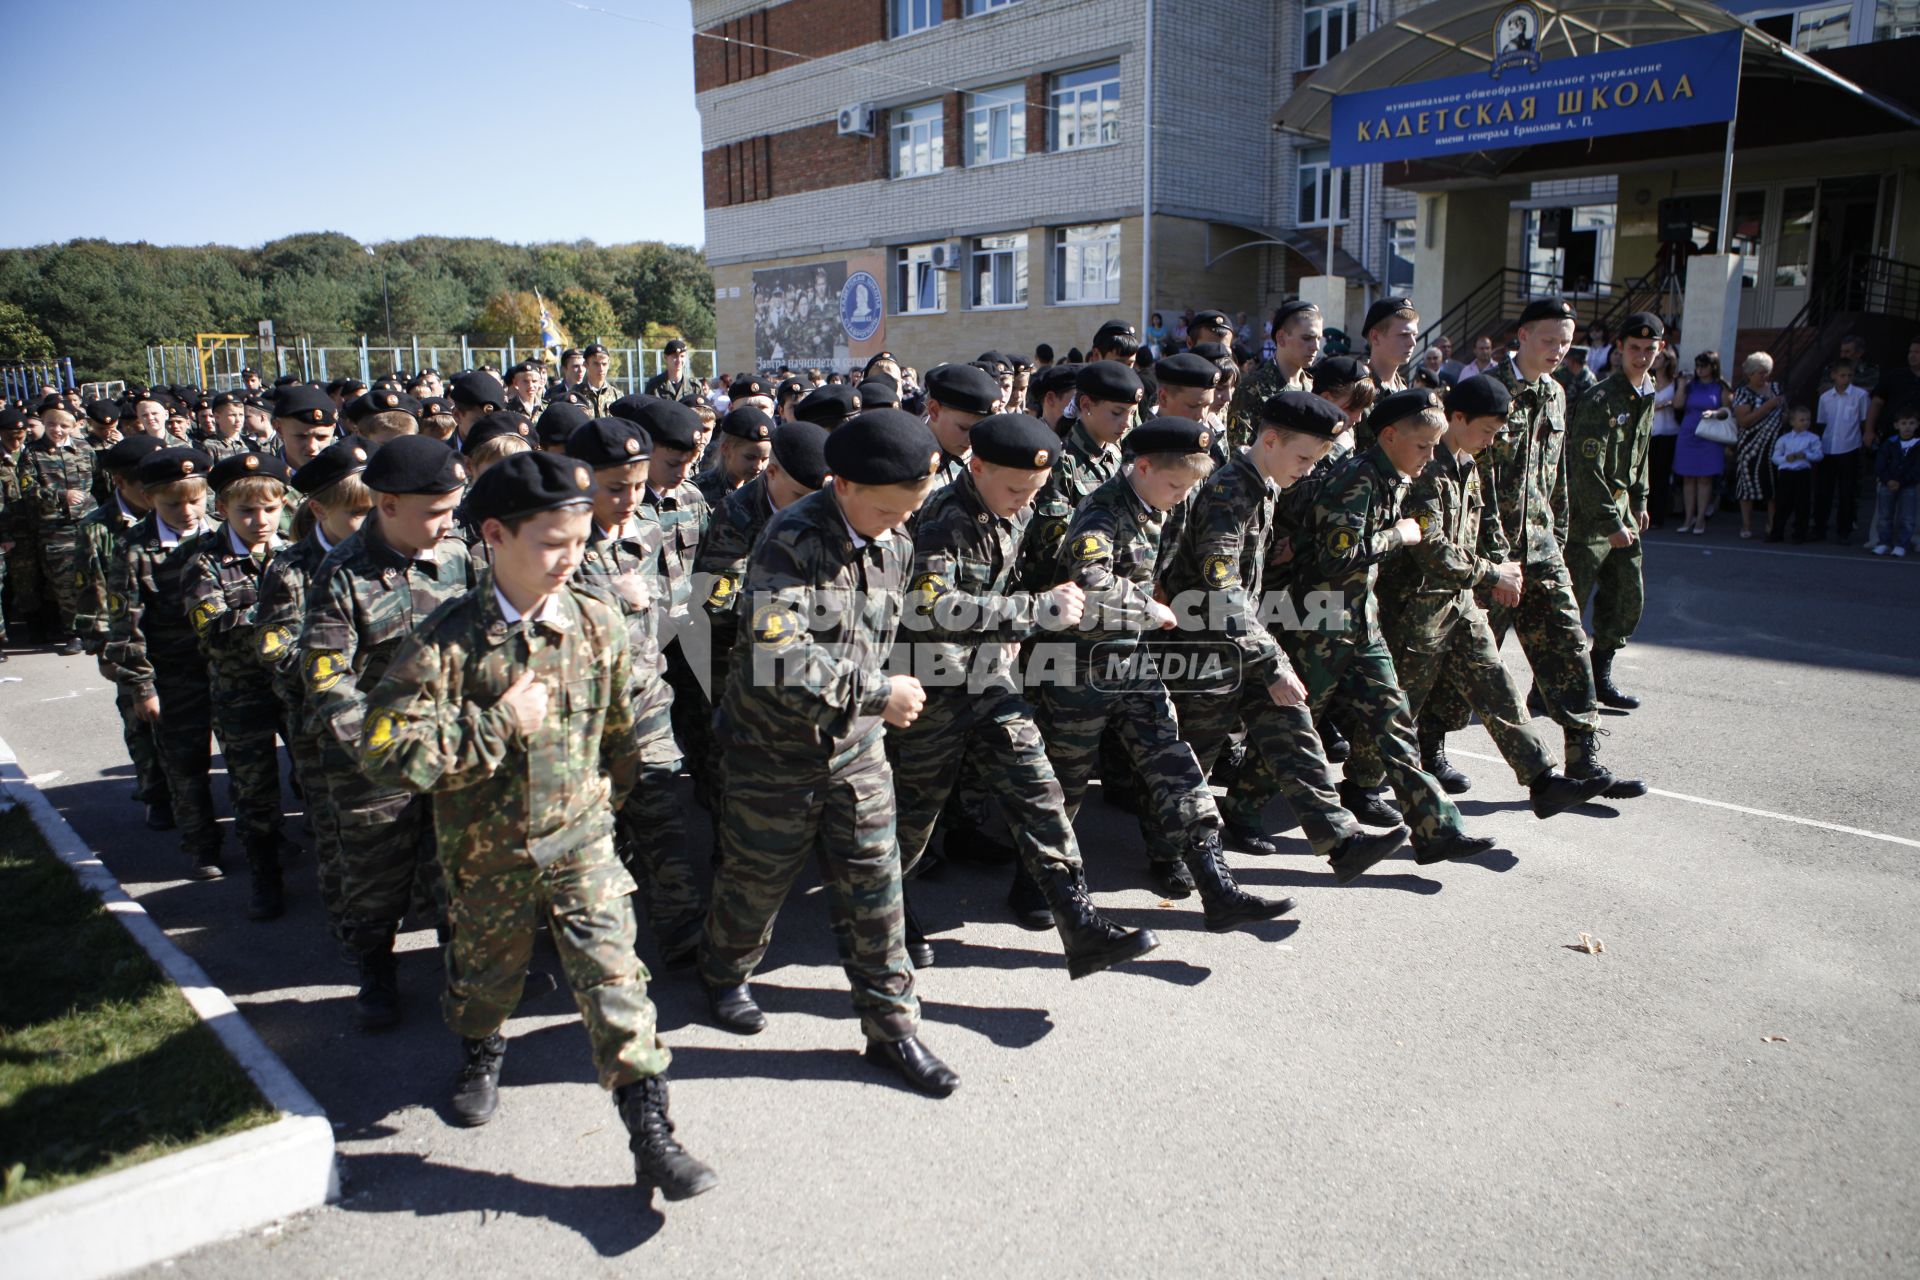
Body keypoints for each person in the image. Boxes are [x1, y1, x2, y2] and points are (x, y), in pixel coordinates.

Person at [358, 450, 716, 1202]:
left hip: (582, 843)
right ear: (494, 534)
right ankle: (481, 1048)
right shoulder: (445, 641)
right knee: (486, 984)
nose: (569, 559)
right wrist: (496, 725)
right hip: (487, 857)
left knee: (618, 987)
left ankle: (652, 1135)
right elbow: (385, 754)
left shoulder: (595, 623)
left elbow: (620, 734)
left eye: (579, 542)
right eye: (552, 543)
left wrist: (599, 814)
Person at [697, 410, 963, 1098]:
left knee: (878, 890)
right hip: (772, 751)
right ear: (841, 485)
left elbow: (889, 626)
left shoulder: (896, 538)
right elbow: (775, 653)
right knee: (755, 885)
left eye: (907, 510)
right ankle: (725, 973)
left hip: (857, 750)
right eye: (883, 509)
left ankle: (892, 1026)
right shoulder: (788, 540)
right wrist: (878, 693)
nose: (893, 524)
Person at [888, 412, 1163, 971]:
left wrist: (1014, 622)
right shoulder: (943, 518)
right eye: (1015, 489)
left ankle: (1075, 917)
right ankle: (890, 911)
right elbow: (930, 610)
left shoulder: (1013, 507)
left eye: (1034, 491)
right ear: (979, 466)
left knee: (1038, 787)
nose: (1024, 500)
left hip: (987, 675)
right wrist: (1027, 613)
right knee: (914, 814)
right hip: (931, 681)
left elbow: (1022, 573)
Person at [1158, 390, 1408, 881]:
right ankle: (1168, 855)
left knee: (1292, 723)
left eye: (1316, 460)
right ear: (1270, 440)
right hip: (1205, 649)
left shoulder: (1266, 484)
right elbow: (1221, 588)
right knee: (1189, 762)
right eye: (1304, 457)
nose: (1310, 469)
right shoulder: (1231, 492)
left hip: (1243, 642)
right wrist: (1272, 661)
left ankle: (1342, 841)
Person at [1345, 376, 1610, 820]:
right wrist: (1492, 573)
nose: (1491, 441)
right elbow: (1432, 550)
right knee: (1399, 702)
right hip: (1417, 608)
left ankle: (1542, 779)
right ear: (1458, 418)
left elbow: (1486, 527)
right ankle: (1360, 784)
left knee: (1497, 685)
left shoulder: (1467, 463)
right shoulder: (1425, 467)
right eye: (1486, 430)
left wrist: (1504, 567)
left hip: (1460, 603)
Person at [1425, 299, 1645, 800]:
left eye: (1565, 342)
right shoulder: (1488, 391)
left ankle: (1583, 759)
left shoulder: (1557, 394)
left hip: (1542, 547)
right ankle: (1430, 746)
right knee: (1470, 656)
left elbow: (1556, 475)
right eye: (1549, 340)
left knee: (1568, 645)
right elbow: (1466, 470)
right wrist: (1489, 555)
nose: (1558, 350)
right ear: (1522, 336)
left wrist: (1559, 537)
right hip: (1488, 553)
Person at [301, 436, 477, 1029]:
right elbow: (328, 678)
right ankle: (375, 971)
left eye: (453, 509)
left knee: (458, 870)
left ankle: (465, 975)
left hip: (449, 746)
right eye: (435, 512)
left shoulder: (458, 555)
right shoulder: (340, 574)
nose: (447, 523)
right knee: (376, 882)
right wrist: (383, 751)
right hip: (372, 762)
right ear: (387, 503)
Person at [565, 415, 706, 970]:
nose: (629, 499)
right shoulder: (551, 541)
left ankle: (683, 930)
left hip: (644, 703)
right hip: (578, 717)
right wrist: (602, 592)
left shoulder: (644, 530)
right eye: (614, 488)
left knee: (662, 816)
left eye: (637, 484)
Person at [255, 438, 375, 941]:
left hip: (388, 719)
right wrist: (344, 667)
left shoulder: (382, 557)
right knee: (337, 836)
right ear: (319, 510)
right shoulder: (290, 570)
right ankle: (351, 933)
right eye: (355, 516)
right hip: (322, 729)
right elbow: (276, 651)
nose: (367, 526)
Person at [183, 452, 292, 919]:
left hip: (293, 684)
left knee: (314, 777)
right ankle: (264, 876)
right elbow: (212, 625)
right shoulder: (202, 562)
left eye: (270, 509)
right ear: (222, 509)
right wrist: (283, 617)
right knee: (254, 789)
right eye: (247, 511)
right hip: (239, 693)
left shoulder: (292, 550)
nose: (260, 520)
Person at [106, 447, 222, 878]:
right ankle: (202, 844)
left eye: (196, 500)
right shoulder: (134, 549)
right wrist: (142, 686)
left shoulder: (221, 535)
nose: (188, 511)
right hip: (173, 675)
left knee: (249, 764)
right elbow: (126, 625)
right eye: (174, 503)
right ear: (150, 498)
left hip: (228, 672)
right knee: (186, 767)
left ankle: (258, 836)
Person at [1564, 313, 1663, 710]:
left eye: (1649, 350)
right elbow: (1585, 468)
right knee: (1569, 603)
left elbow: (1640, 453)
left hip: (1623, 512)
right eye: (1634, 349)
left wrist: (1639, 500)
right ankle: (1552, 683)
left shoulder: (1648, 393)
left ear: (1660, 349)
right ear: (1619, 348)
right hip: (1592, 518)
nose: (1641, 357)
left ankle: (1600, 676)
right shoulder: (1600, 398)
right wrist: (1609, 522)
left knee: (1626, 596)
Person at [22, 401, 97, 652]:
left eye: (64, 425)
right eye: (52, 423)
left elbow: (100, 483)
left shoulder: (85, 449)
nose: (57, 429)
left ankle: (97, 628)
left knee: (95, 575)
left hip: (88, 522)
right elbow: (27, 489)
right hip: (55, 526)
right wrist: (60, 495)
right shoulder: (32, 453)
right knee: (65, 582)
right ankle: (74, 632)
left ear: (74, 426)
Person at [1228, 300, 1323, 446]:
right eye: (1306, 338)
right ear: (1281, 338)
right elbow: (1239, 453)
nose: (1315, 347)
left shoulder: (1313, 388)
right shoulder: (1253, 388)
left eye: (1318, 339)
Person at [1729, 353, 1787, 540]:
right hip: (1750, 446)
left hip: (1774, 445)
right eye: (1759, 373)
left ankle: (1772, 525)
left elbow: (1786, 411)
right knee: (1747, 487)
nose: (1764, 376)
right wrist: (1768, 406)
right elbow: (1744, 421)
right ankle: (1746, 525)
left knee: (1772, 488)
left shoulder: (1776, 388)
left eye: (1766, 372)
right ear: (1750, 374)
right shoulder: (1743, 392)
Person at [1813, 358, 1870, 544]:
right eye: (1842, 375)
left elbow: (1863, 420)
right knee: (1824, 491)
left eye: (1849, 375)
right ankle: (1819, 527)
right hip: (1828, 447)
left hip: (1849, 447)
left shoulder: (1860, 396)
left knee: (1847, 491)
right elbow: (1822, 422)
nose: (1845, 379)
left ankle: (1843, 530)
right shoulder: (1825, 397)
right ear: (1834, 376)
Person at [1672, 351, 1729, 534]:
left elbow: (1727, 410)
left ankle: (1701, 519)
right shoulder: (1691, 386)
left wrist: (1714, 413)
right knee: (1688, 477)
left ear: (1713, 366)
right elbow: (1678, 404)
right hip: (1689, 432)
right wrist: (1681, 384)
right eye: (1698, 366)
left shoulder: (1721, 386)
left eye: (1704, 366)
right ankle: (1688, 518)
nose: (1700, 369)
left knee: (1705, 478)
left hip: (1710, 434)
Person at [691, 406, 773, 506]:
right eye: (750, 457)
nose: (758, 466)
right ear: (726, 449)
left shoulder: (767, 492)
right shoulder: (697, 491)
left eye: (764, 459)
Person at [1768, 405, 1823, 543]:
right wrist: (1786, 458)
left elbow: (1819, 455)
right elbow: (1775, 457)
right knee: (1782, 505)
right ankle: (1777, 532)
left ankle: (1799, 534)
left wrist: (1806, 455)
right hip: (1786, 473)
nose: (1805, 422)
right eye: (1802, 420)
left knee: (1802, 505)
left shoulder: (1813, 438)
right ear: (1792, 422)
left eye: (1808, 420)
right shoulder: (1784, 439)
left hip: (1802, 473)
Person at [1870, 405, 1920, 556]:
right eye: (1904, 423)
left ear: (1917, 425)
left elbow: (1917, 468)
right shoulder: (1890, 443)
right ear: (1896, 425)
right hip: (1887, 484)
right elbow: (1880, 464)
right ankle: (1883, 542)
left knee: (1907, 517)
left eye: (1911, 423)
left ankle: (1902, 544)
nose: (1907, 427)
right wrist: (1887, 479)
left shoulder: (1918, 445)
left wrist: (1902, 481)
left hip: (1908, 486)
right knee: (1885, 515)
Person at [1647, 349, 1680, 528]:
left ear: (1668, 361)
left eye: (1659, 358)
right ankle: (1645, 514)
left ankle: (1658, 516)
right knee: (1647, 476)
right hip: (1650, 433)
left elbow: (1679, 403)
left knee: (1662, 476)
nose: (1654, 360)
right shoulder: (1646, 380)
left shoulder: (1675, 383)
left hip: (1668, 433)